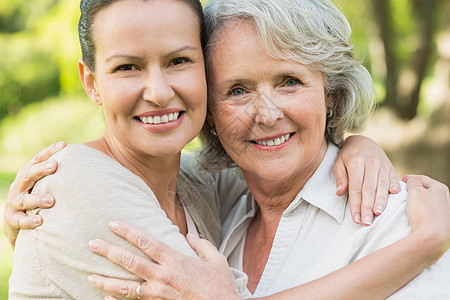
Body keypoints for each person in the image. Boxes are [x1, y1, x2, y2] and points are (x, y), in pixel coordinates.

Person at [4, 0, 448, 299]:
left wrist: (357, 143)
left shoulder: (205, 187)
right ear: (91, 81)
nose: (159, 91)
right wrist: (423, 244)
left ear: (330, 92)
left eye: (290, 81)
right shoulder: (79, 186)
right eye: (237, 89)